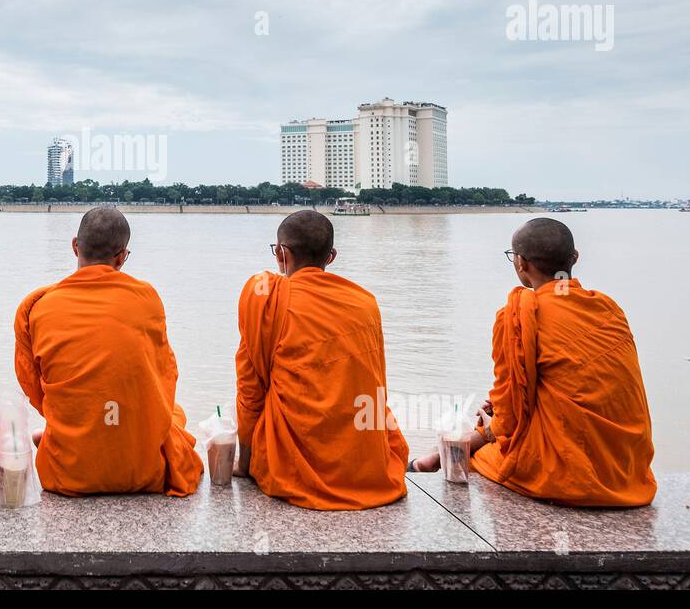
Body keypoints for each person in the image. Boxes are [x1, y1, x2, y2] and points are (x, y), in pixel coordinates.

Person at [411, 218, 657, 507]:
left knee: (476, 457)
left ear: (520, 263)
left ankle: (429, 460)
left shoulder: (518, 315)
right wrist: (499, 414)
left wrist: (491, 425)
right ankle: (430, 458)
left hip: (564, 476)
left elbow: (509, 419)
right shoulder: (608, 308)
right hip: (628, 473)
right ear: (574, 258)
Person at [14, 207, 202, 496]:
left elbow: (35, 389)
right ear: (122, 257)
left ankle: (61, 435)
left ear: (75, 245)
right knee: (174, 413)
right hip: (143, 470)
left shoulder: (37, 306)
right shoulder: (147, 297)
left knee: (71, 409)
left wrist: (70, 418)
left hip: (66, 472)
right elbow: (164, 376)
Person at [233, 210, 408, 509]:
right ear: (332, 256)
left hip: (290, 469)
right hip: (365, 467)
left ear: (280, 253)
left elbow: (250, 392)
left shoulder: (265, 298)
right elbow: (374, 385)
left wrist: (245, 463)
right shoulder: (365, 303)